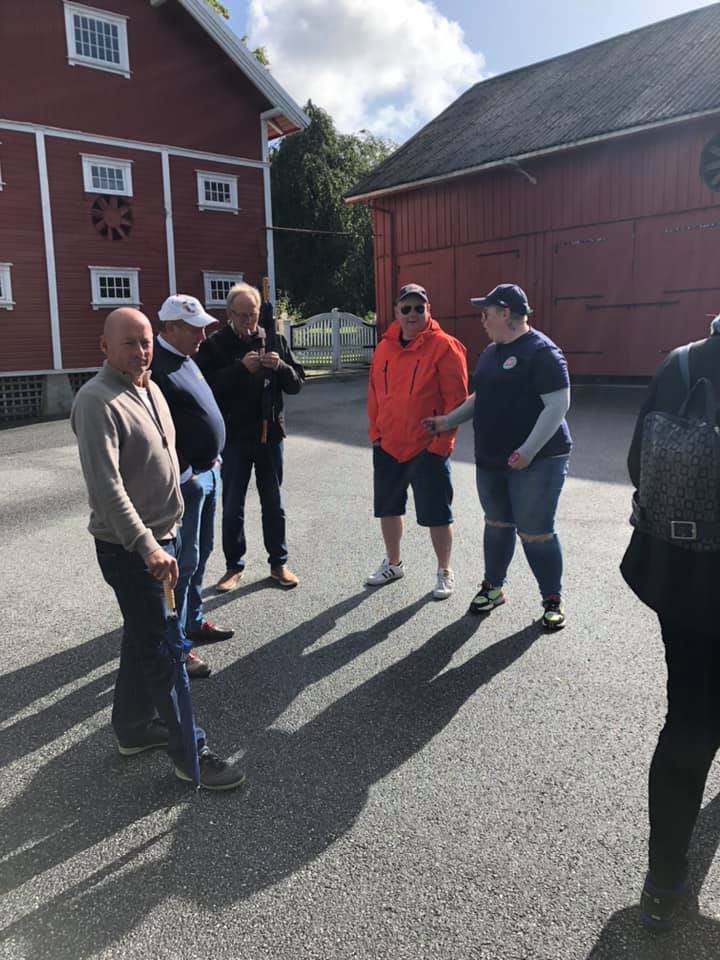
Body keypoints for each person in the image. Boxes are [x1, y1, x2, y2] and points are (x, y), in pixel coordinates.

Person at [71, 307, 245, 790]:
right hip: (132, 549)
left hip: (165, 536)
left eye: (145, 341)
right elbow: (107, 488)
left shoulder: (149, 388)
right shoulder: (96, 400)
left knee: (143, 637)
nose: (141, 351)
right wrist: (147, 545)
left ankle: (133, 728)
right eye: (129, 342)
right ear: (105, 347)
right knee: (165, 650)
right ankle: (191, 754)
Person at [621, 315, 720, 930]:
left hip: (683, 571)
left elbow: (639, 464)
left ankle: (662, 884)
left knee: (688, 719)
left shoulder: (680, 362)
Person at [423, 283, 571, 627]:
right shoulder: (491, 352)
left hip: (537, 461)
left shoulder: (542, 352)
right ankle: (493, 588)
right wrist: (447, 420)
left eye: (486, 313)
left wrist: (528, 451)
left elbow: (558, 405)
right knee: (497, 524)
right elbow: (481, 397)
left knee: (535, 532)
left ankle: (552, 598)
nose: (482, 320)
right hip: (492, 459)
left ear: (506, 313)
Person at [196, 282, 304, 592]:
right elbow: (204, 388)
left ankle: (279, 563)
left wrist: (280, 366)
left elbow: (297, 383)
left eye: (253, 315)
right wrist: (239, 369)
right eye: (242, 315)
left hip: (270, 435)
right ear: (229, 314)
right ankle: (234, 566)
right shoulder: (215, 344)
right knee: (233, 504)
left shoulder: (273, 339)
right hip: (234, 438)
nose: (248, 321)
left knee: (274, 502)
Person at [151, 294, 235, 681]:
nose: (203, 335)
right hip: (187, 482)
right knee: (182, 565)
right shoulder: (157, 368)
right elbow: (157, 433)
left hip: (208, 472)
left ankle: (193, 620)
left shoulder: (186, 359)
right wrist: (186, 473)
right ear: (170, 328)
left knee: (201, 554)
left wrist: (212, 457)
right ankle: (176, 644)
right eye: (194, 328)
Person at [366, 283, 468, 599]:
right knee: (388, 509)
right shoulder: (384, 348)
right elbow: (374, 395)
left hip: (427, 448)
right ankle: (393, 563)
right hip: (388, 446)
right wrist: (376, 435)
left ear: (428, 310)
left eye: (418, 308)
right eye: (406, 308)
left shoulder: (445, 346)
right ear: (396, 312)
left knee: (438, 515)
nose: (412, 314)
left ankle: (444, 571)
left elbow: (457, 402)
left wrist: (441, 445)